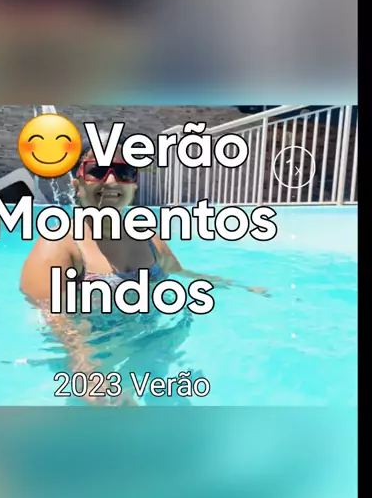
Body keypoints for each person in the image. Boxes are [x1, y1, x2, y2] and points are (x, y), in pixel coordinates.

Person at [20, 133, 269, 404]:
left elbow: (183, 273)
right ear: (77, 183)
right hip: (94, 353)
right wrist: (87, 370)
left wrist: (238, 286)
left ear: (134, 184)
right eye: (98, 171)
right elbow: (53, 316)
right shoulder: (60, 245)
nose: (112, 181)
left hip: (153, 342)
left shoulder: (149, 239)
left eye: (124, 172)